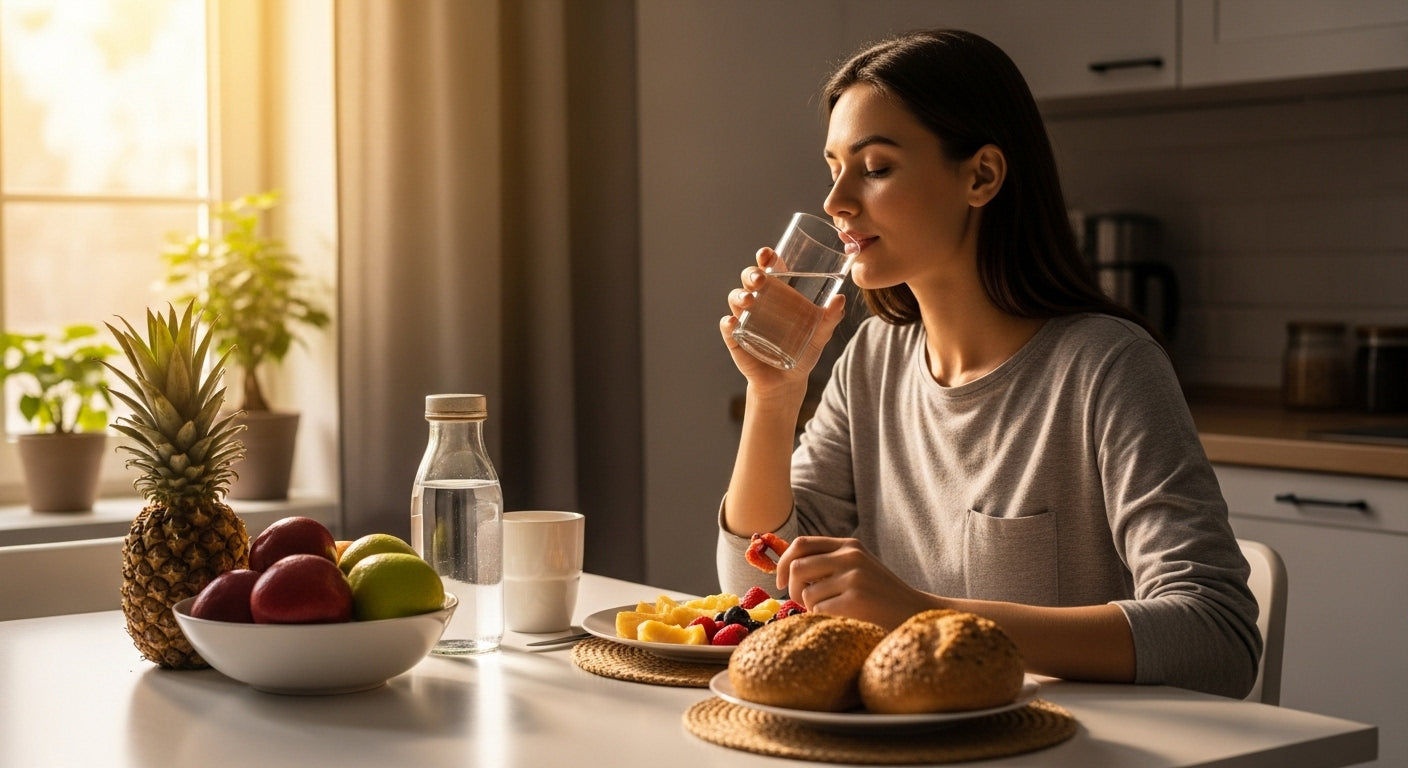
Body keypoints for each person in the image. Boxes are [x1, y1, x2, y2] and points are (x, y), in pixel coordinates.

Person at [715, 28, 1260, 699]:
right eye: (834, 169)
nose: (837, 203)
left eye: (876, 167)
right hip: (918, 742)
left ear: (981, 176)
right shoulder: (872, 361)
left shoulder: (1106, 367)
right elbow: (753, 590)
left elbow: (1219, 637)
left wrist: (924, 615)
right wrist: (774, 396)